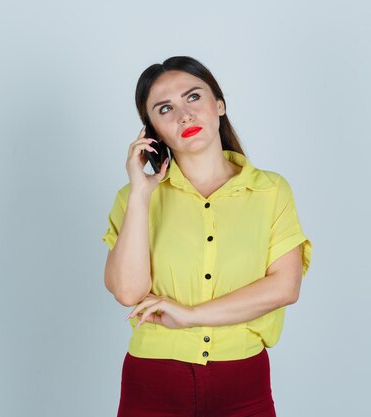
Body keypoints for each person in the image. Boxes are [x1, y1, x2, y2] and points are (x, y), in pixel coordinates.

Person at [101, 56, 313, 417]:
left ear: (219, 104)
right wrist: (140, 194)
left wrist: (189, 315)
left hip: (243, 380)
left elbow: (284, 288)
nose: (184, 115)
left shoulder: (270, 191)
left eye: (193, 97)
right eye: (165, 108)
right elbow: (127, 292)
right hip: (153, 380)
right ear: (152, 130)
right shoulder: (133, 198)